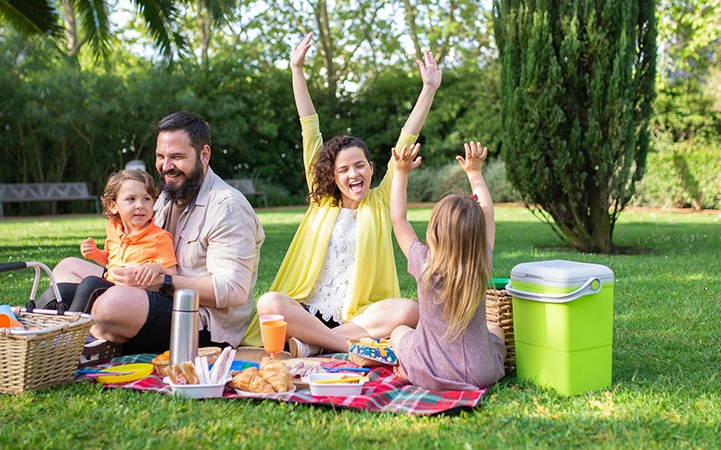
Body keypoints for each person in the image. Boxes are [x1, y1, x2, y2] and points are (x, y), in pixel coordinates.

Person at [240, 32, 441, 357]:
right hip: (307, 310)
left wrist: (428, 89)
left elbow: (407, 138)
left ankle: (313, 345)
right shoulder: (322, 198)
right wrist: (297, 70)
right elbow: (310, 127)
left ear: (372, 168)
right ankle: (345, 347)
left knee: (408, 310)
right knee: (269, 302)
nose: (353, 174)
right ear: (332, 176)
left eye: (359, 166)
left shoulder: (380, 201)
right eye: (344, 170)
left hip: (358, 318)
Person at [45, 111, 265, 355]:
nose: (166, 166)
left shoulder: (227, 206)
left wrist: (161, 282)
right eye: (160, 156)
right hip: (147, 293)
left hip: (198, 323)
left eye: (177, 157)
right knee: (66, 270)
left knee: (110, 305)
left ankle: (76, 345)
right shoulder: (167, 198)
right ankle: (49, 335)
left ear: (204, 155)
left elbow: (233, 290)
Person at [389, 140, 506, 391]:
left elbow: (399, 221)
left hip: (428, 370)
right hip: (480, 373)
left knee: (398, 332)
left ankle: (407, 370)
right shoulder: (481, 261)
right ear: (478, 234)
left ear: (435, 231)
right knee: (495, 328)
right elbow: (488, 215)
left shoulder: (424, 264)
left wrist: (400, 174)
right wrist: (475, 174)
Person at [65, 169, 178, 314]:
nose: (140, 205)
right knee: (63, 290)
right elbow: (110, 261)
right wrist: (95, 254)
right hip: (112, 286)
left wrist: (156, 268)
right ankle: (34, 329)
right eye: (131, 199)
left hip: (136, 297)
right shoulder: (113, 229)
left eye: (146, 199)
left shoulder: (159, 238)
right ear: (113, 206)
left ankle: (70, 333)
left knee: (90, 284)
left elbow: (172, 274)